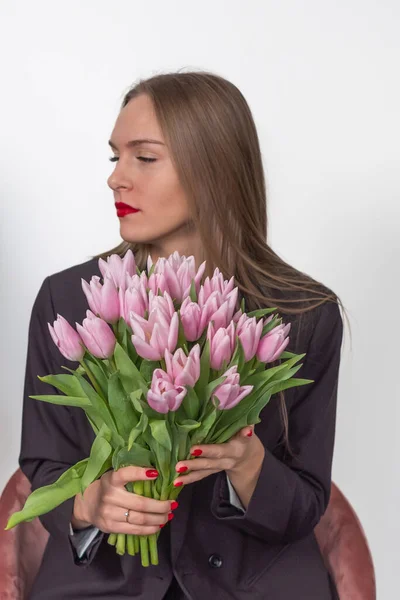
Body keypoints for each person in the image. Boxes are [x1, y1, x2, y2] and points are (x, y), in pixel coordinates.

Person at [19, 70, 346, 599]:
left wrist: (251, 468)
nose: (116, 178)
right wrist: (88, 503)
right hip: (102, 586)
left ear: (212, 168)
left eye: (144, 158)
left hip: (252, 585)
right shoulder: (70, 298)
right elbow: (42, 461)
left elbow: (307, 500)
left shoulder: (303, 313)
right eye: (115, 157)